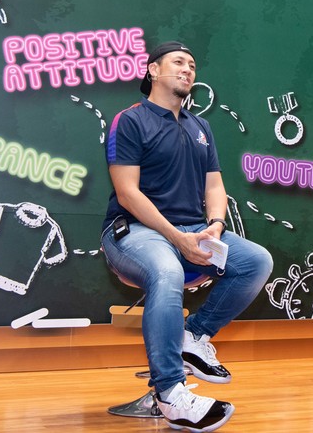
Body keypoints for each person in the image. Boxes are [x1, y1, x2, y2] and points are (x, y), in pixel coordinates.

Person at [101, 41, 273, 432]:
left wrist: (215, 225)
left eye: (192, 65)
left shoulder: (200, 126)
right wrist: (176, 237)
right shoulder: (129, 120)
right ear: (152, 70)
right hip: (134, 233)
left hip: (193, 231)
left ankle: (193, 335)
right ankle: (171, 393)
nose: (187, 69)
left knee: (255, 261)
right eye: (178, 62)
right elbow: (128, 192)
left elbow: (215, 186)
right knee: (167, 272)